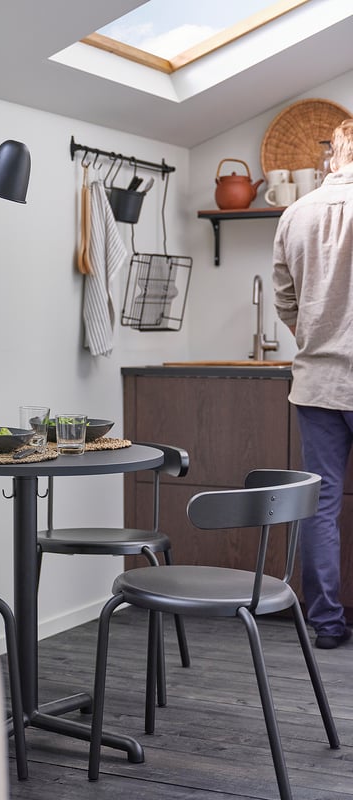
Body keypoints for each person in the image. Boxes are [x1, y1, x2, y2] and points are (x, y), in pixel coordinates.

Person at [272, 118, 353, 649]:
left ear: (336, 153)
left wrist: (318, 335)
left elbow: (284, 300)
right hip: (323, 384)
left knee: (320, 506)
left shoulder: (296, 212)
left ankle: (325, 624)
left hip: (319, 385)